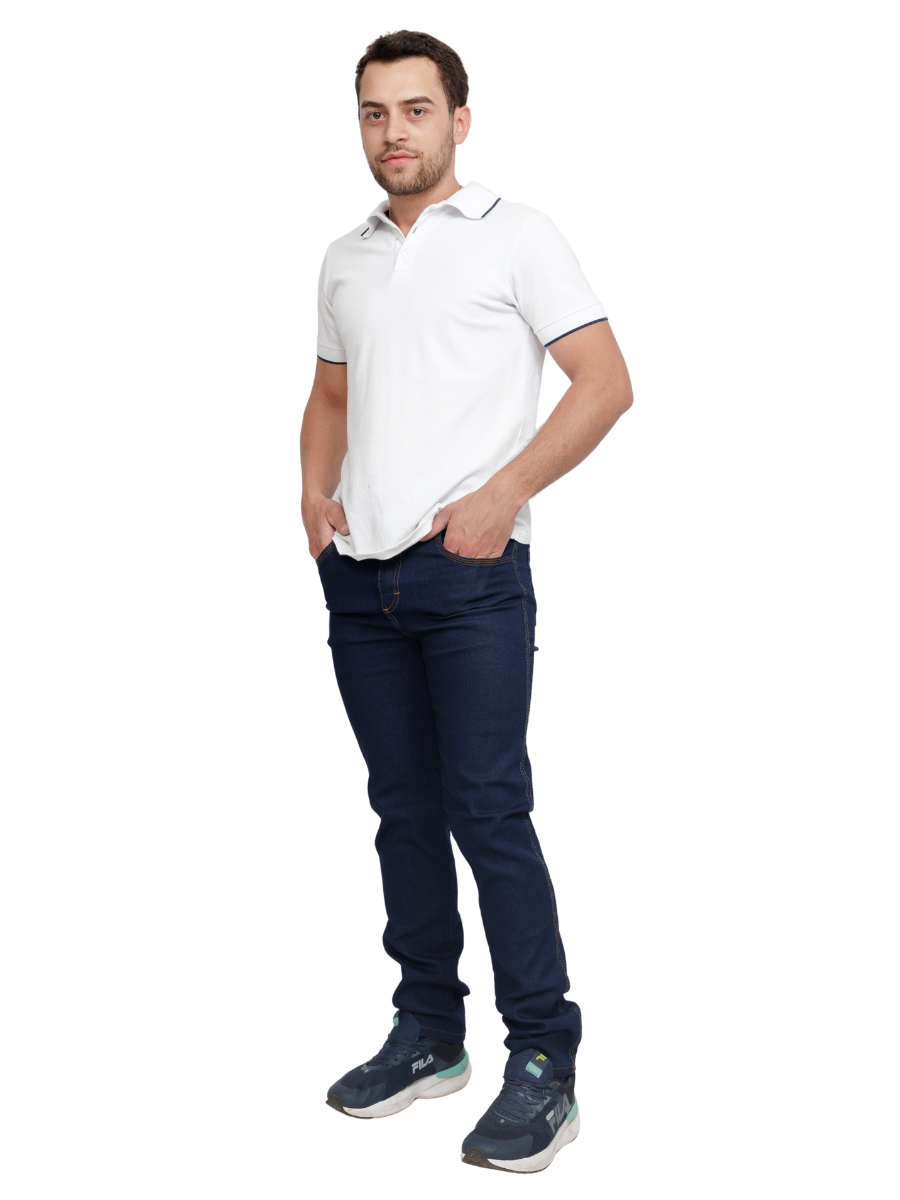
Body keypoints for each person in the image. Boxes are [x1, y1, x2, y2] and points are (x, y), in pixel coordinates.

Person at [300, 29, 633, 1173]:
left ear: (459, 120)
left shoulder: (516, 234)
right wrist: (313, 497)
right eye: (374, 112)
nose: (393, 132)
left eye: (415, 110)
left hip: (472, 576)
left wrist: (503, 496)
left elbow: (606, 382)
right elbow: (329, 396)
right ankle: (429, 1033)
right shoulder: (345, 257)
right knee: (402, 810)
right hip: (363, 580)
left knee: (487, 812)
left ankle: (543, 1059)